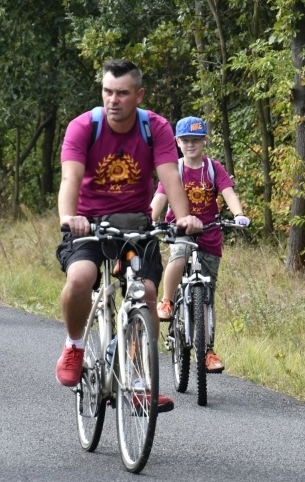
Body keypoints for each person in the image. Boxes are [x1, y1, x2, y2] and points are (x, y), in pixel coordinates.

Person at [55, 59, 202, 413]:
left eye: (122, 93)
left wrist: (184, 219)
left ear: (139, 95)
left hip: (136, 223)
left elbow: (170, 176)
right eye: (107, 91)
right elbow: (70, 179)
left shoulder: (155, 128)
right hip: (88, 222)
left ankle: (137, 381)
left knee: (147, 292)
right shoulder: (83, 127)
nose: (113, 100)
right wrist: (68, 217)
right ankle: (75, 345)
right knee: (80, 278)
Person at [150, 116, 249, 372]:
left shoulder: (213, 168)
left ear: (204, 141)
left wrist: (238, 214)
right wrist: (149, 220)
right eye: (186, 140)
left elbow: (228, 193)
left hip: (209, 233)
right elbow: (160, 198)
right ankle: (167, 301)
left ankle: (207, 350)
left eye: (196, 140)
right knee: (179, 254)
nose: (191, 144)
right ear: (178, 143)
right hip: (181, 228)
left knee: (206, 296)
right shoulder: (175, 169)